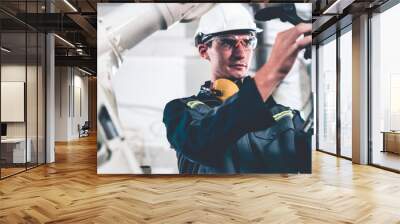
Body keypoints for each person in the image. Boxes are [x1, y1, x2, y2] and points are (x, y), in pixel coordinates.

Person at [162, 4, 312, 174]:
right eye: (228, 42)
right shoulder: (181, 111)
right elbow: (200, 144)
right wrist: (271, 73)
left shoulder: (287, 117)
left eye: (248, 41)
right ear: (204, 51)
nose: (241, 53)